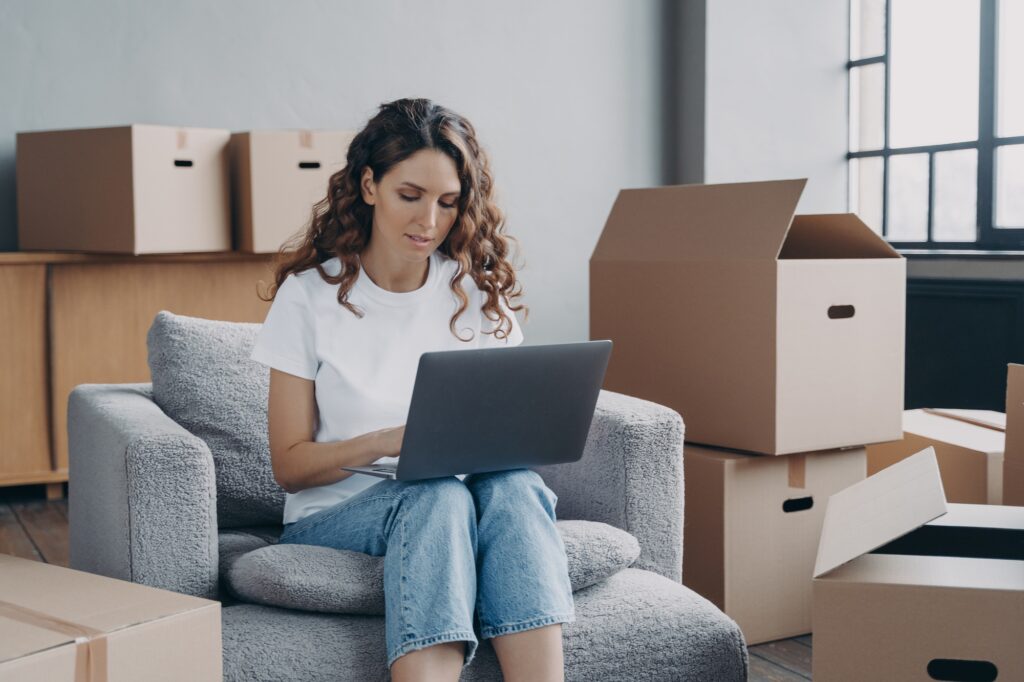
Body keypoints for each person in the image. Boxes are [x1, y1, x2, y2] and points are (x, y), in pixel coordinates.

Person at [249, 98, 574, 682]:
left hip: (459, 497)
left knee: (518, 486)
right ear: (370, 185)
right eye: (410, 196)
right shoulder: (309, 298)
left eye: (448, 203)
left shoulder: (476, 294)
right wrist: (387, 442)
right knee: (435, 494)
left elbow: (514, 428)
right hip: (337, 513)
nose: (429, 220)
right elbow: (290, 467)